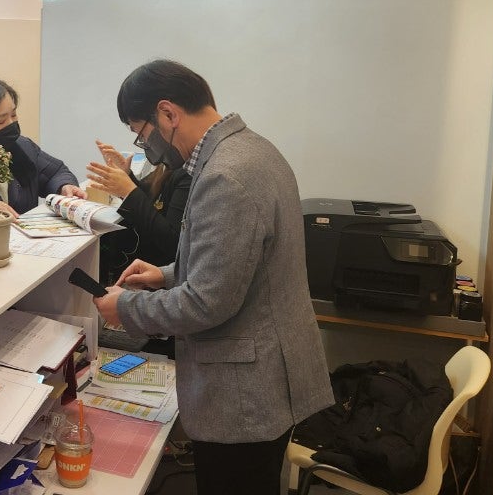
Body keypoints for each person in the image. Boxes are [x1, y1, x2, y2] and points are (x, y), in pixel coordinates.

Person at [92, 60, 332, 495]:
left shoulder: (226, 175)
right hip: (269, 377)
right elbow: (239, 262)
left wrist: (125, 308)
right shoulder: (253, 149)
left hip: (244, 396)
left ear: (168, 113)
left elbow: (208, 301)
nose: (145, 147)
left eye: (141, 133)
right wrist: (164, 275)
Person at [0, 75, 83, 215]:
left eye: (14, 115)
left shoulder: (21, 146)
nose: (11, 124)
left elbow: (55, 172)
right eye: (0, 121)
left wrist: (64, 186)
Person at [86, 140, 191, 285]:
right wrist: (127, 176)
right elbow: (153, 198)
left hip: (160, 271)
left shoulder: (186, 172)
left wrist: (129, 191)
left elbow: (172, 241)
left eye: (142, 133)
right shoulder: (167, 164)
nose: (143, 141)